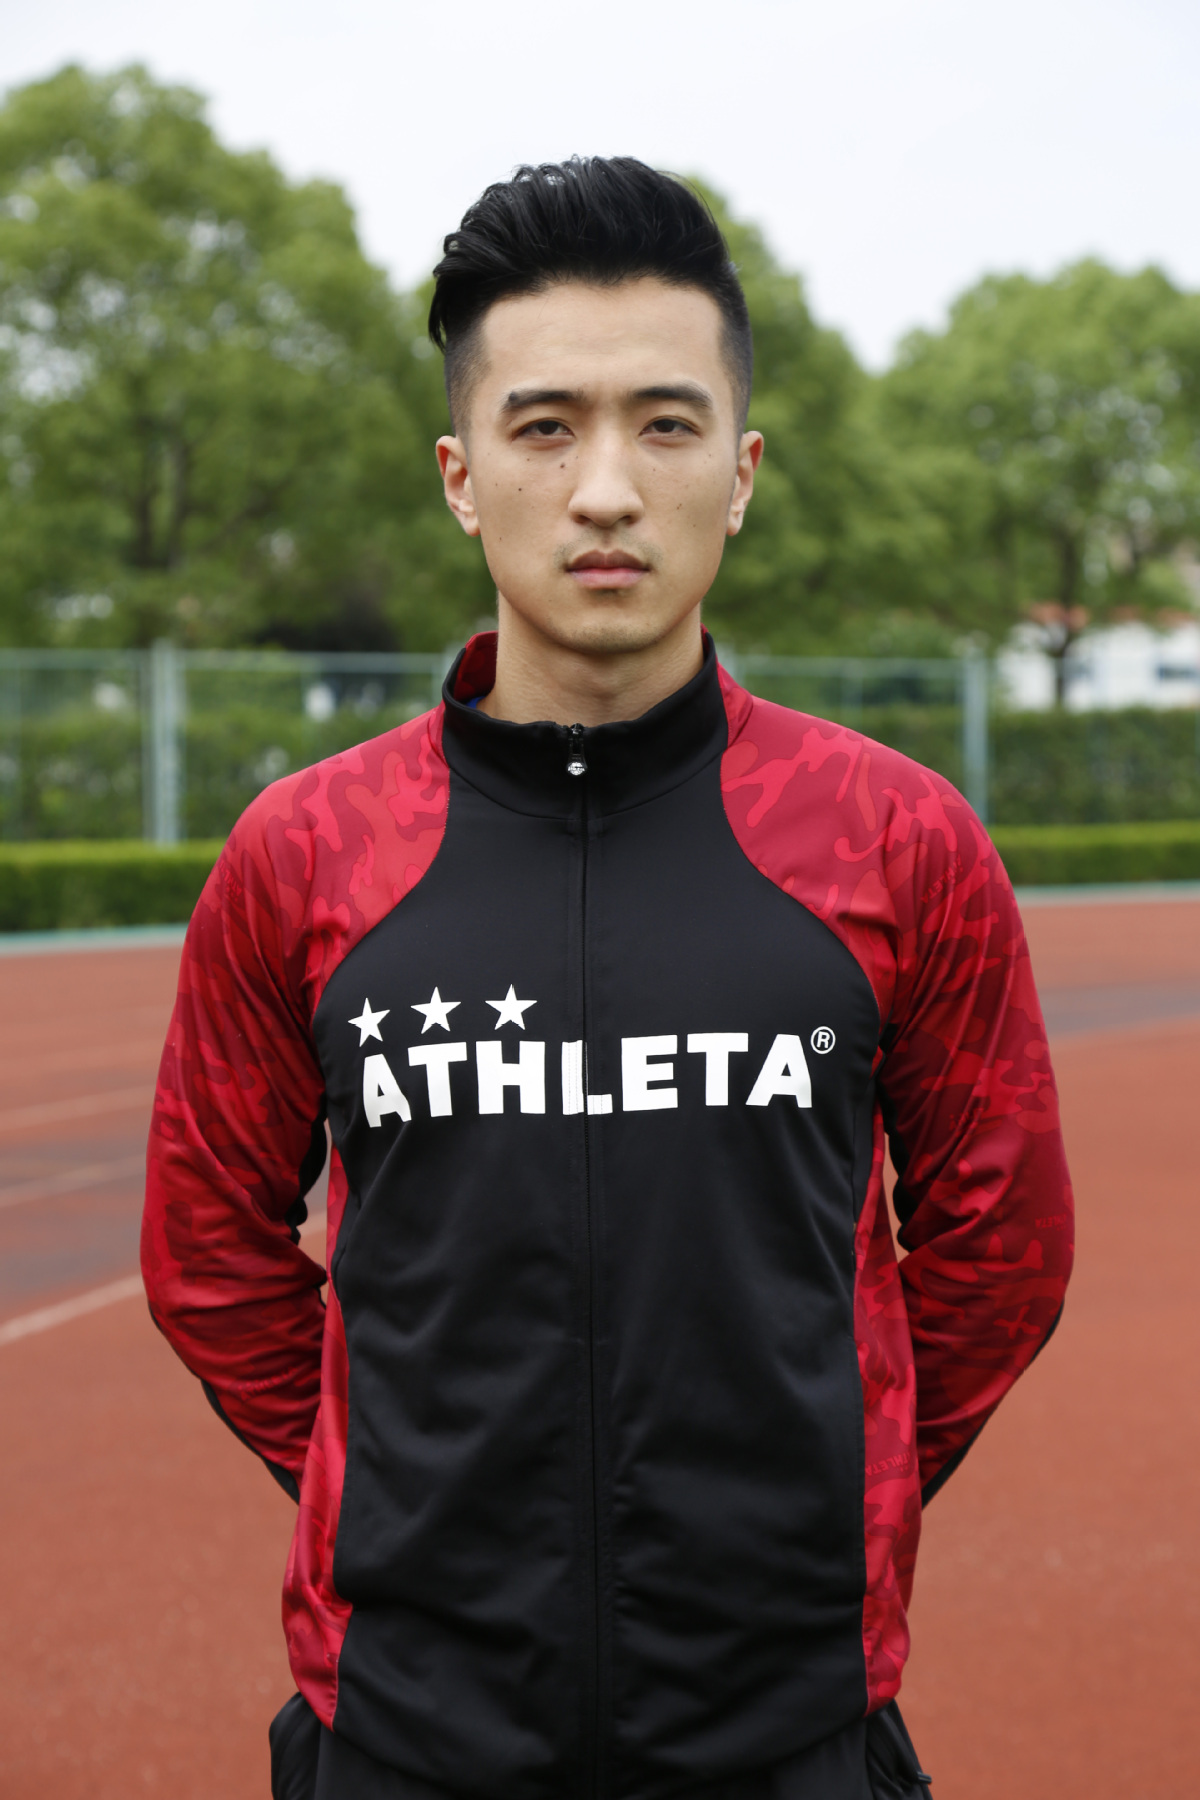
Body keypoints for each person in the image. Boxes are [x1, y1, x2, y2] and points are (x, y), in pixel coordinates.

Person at [142, 157, 1074, 1800]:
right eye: (545, 427)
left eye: (665, 424)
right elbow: (205, 1250)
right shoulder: (307, 853)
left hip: (786, 1731)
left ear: (742, 470)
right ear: (460, 475)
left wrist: (831, 1490)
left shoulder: (897, 840)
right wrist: (390, 1493)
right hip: (404, 1734)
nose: (605, 490)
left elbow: (1005, 1246)